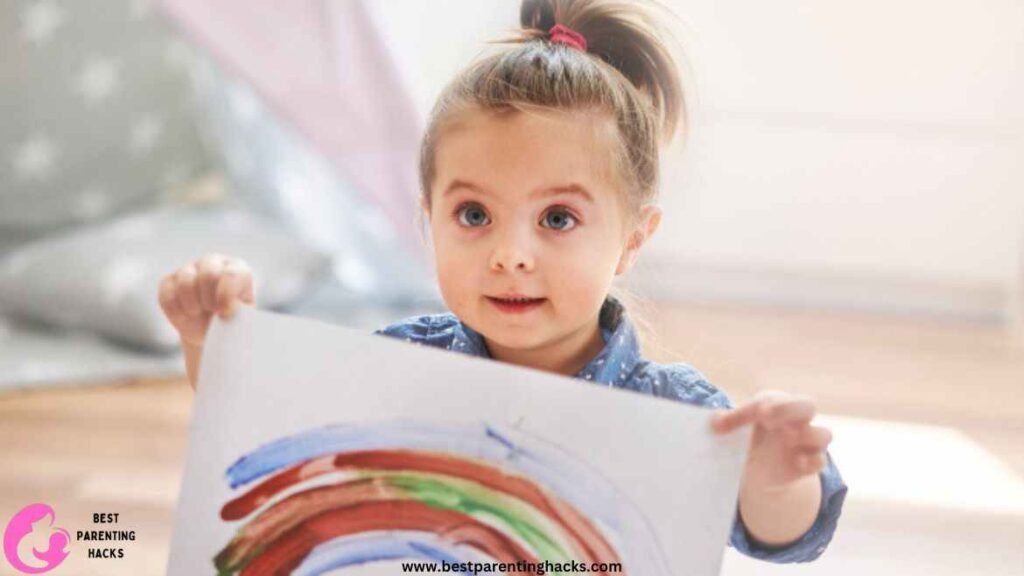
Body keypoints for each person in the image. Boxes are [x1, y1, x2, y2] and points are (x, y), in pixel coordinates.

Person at [158, 0, 846, 563]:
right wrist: (212, 340)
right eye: (474, 214)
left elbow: (786, 536)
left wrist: (773, 478)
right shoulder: (394, 365)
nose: (510, 255)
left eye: (557, 217)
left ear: (633, 239)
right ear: (428, 219)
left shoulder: (677, 412)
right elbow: (265, 417)